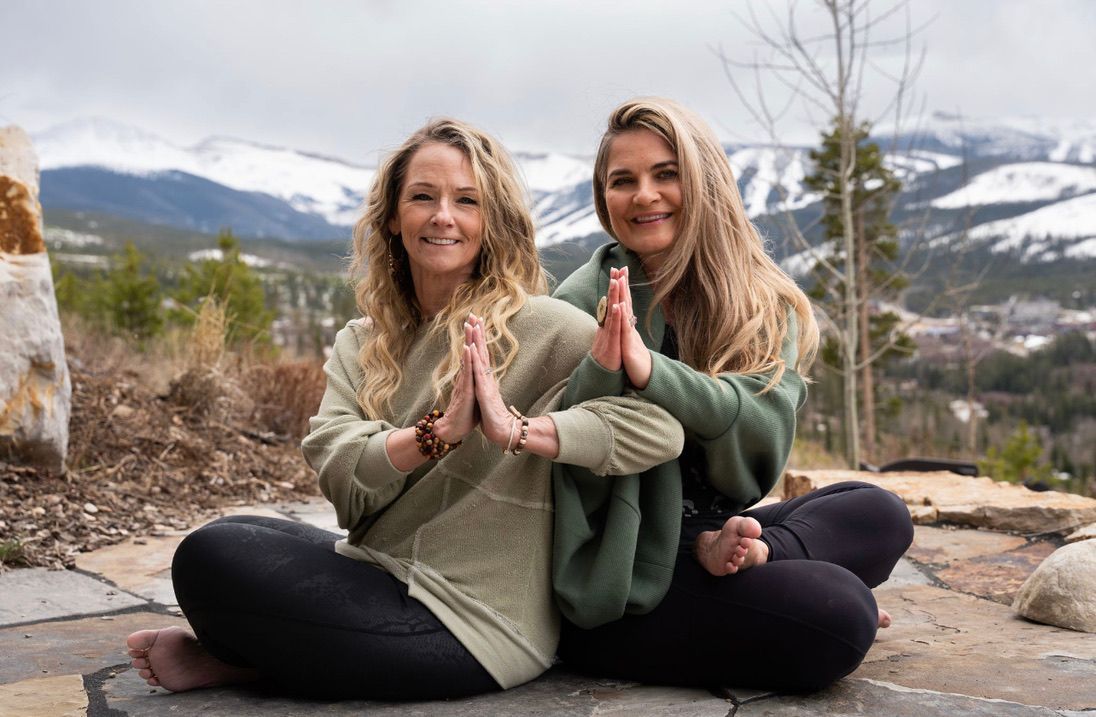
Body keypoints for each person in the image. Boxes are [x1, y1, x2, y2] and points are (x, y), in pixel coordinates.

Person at [125, 118, 683, 700]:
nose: (444, 215)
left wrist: (520, 430)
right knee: (229, 537)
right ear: (393, 216)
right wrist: (434, 434)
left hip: (474, 624)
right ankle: (259, 659)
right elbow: (340, 476)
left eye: (467, 200)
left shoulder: (548, 327)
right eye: (423, 197)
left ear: (490, 221)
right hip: (381, 574)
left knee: (213, 560)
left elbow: (658, 429)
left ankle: (245, 660)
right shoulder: (362, 341)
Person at [552, 97, 914, 693]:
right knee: (841, 613)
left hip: (718, 527)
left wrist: (652, 373)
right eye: (624, 180)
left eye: (666, 174)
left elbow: (760, 441)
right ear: (603, 197)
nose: (644, 194)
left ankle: (758, 555)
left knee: (879, 513)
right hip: (623, 564)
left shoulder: (755, 299)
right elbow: (567, 466)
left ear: (704, 181)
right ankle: (760, 585)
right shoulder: (580, 304)